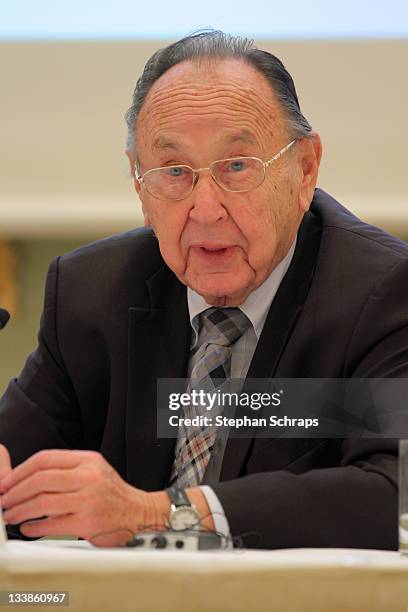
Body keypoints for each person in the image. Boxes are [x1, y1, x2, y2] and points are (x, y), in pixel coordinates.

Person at [0, 30, 407, 550]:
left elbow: (395, 495)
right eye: (174, 171)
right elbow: (15, 474)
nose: (206, 208)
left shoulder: (383, 294)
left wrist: (154, 513)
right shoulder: (89, 295)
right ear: (138, 184)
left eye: (237, 166)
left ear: (305, 168)